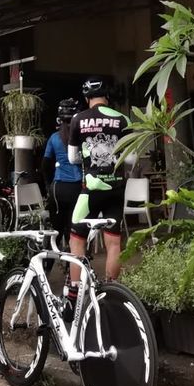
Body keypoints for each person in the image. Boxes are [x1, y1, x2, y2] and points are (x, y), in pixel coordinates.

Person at [65, 78, 132, 306]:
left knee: (77, 239)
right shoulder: (123, 119)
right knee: (114, 243)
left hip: (91, 189)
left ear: (87, 98)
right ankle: (112, 292)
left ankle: (75, 293)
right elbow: (131, 158)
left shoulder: (78, 119)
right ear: (107, 97)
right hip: (116, 187)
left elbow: (72, 158)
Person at [40, 97, 83, 251]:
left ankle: (46, 263)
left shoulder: (54, 138)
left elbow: (45, 165)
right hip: (77, 187)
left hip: (58, 188)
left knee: (55, 231)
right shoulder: (81, 137)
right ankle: (72, 263)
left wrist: (48, 185)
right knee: (74, 231)